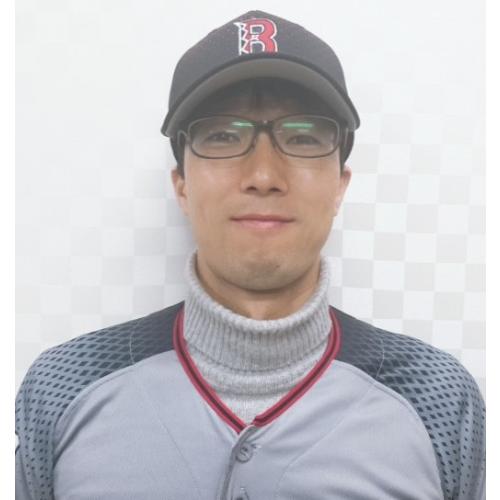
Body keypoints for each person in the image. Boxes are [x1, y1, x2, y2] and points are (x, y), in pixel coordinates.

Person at [15, 10, 485, 500]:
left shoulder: (434, 396)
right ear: (182, 185)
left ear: (340, 185)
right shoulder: (65, 386)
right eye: (223, 135)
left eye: (302, 136)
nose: (263, 175)